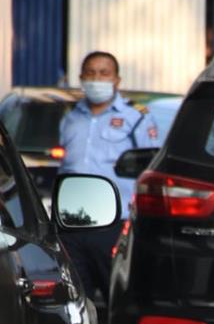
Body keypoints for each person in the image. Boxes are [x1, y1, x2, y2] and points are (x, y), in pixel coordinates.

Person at [58, 51, 159, 301]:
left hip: (113, 222)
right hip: (72, 222)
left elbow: (150, 169)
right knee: (76, 297)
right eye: (90, 73)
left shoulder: (136, 117)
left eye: (104, 73)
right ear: (81, 78)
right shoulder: (71, 118)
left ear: (117, 80)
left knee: (118, 295)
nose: (97, 78)